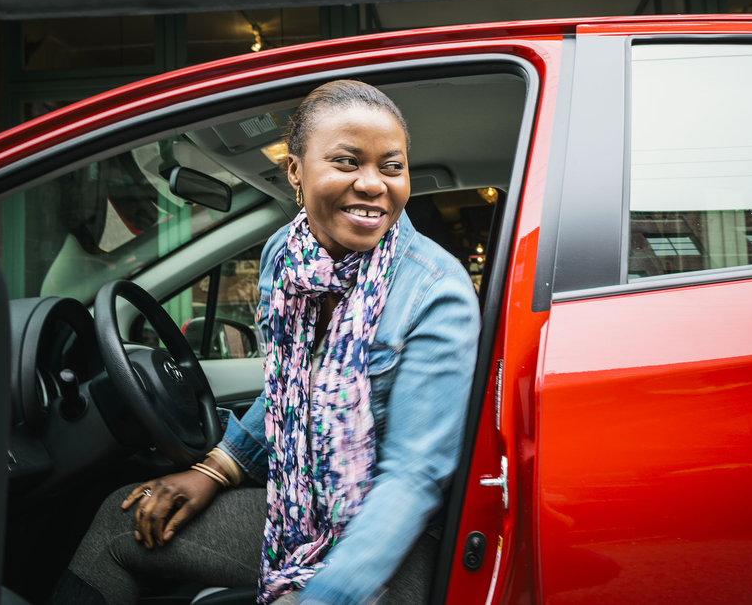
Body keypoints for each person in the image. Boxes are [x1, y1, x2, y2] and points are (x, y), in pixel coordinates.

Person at [50, 80, 481, 605]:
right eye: (347, 161)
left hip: (402, 538)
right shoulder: (284, 256)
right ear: (295, 170)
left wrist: (321, 597)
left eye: (392, 166)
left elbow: (413, 479)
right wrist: (215, 469)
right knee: (122, 522)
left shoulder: (436, 290)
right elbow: (289, 392)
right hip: (302, 505)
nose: (374, 184)